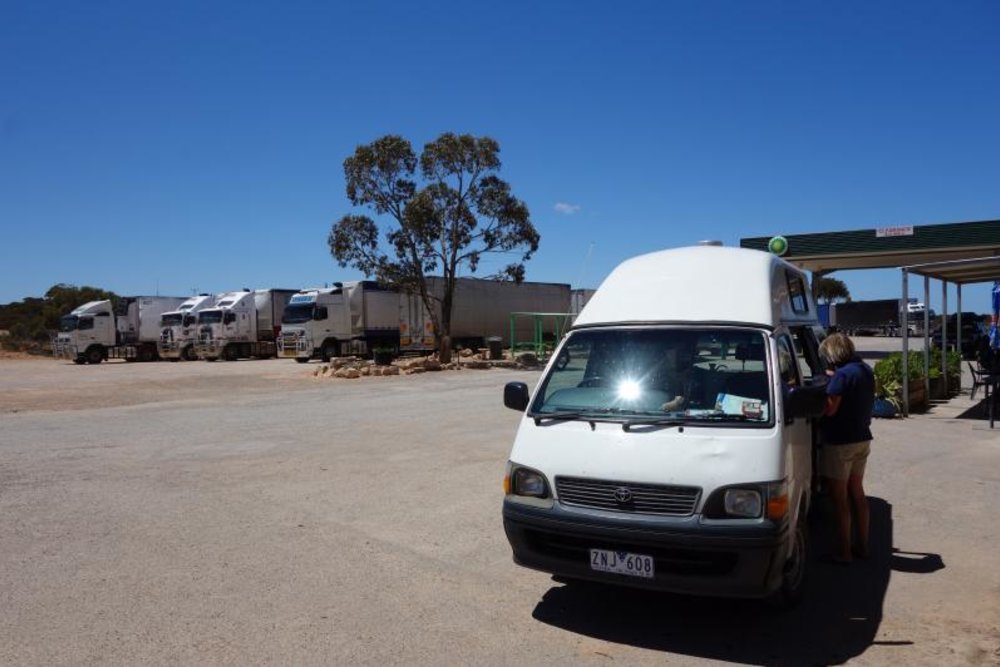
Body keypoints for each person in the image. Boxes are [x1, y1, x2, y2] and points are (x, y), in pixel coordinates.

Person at [818, 333, 875, 564]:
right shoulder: (864, 370)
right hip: (862, 438)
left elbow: (830, 409)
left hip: (840, 443)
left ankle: (844, 553)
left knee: (840, 500)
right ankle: (862, 545)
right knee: (858, 494)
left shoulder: (840, 376)